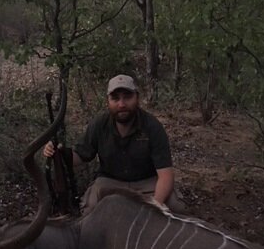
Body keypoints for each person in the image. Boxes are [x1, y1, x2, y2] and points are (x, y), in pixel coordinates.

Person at [43, 74, 184, 215]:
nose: (121, 104)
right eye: (115, 98)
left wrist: (155, 207)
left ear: (137, 98)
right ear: (108, 101)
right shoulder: (99, 124)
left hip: (146, 182)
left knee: (175, 206)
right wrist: (58, 152)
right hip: (110, 182)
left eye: (127, 97)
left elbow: (165, 176)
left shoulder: (152, 126)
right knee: (90, 210)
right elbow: (80, 156)